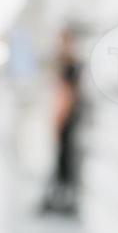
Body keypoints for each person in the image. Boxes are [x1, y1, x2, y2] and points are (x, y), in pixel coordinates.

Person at [42, 30, 82, 215]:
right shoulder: (69, 66)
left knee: (64, 162)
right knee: (61, 162)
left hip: (66, 119)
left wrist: (59, 120)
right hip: (65, 117)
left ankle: (61, 200)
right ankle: (58, 198)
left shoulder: (71, 67)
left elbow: (67, 97)